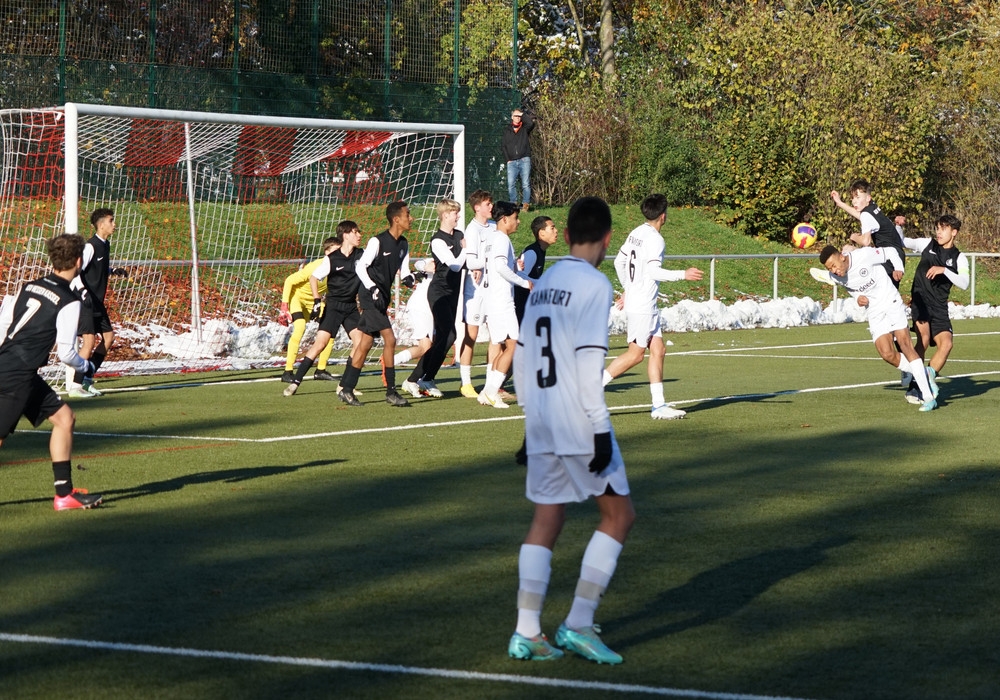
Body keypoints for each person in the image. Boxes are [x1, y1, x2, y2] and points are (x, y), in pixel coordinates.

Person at [509, 195, 631, 665]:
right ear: (606, 238)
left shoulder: (547, 279)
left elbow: (522, 352)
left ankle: (526, 632)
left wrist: (528, 421)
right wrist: (600, 430)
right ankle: (578, 623)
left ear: (566, 233)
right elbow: (586, 362)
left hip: (541, 418)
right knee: (619, 517)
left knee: (548, 518)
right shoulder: (595, 284)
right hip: (578, 419)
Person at [0, 234, 102, 510]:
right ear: (79, 261)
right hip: (17, 374)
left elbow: (6, 325)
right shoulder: (70, 300)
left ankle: (64, 494)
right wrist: (86, 366)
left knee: (65, 418)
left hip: (12, 365)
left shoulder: (30, 285)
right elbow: (67, 353)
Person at [603, 194, 703, 420]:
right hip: (643, 305)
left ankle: (659, 406)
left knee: (658, 350)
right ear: (663, 216)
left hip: (643, 302)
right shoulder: (656, 239)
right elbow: (653, 271)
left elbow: (619, 261)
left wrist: (628, 288)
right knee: (636, 355)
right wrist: (683, 274)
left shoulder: (636, 232)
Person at [816, 244, 938, 411]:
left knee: (905, 344)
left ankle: (928, 397)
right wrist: (858, 297)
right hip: (874, 310)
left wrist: (898, 268)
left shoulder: (864, 255)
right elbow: (852, 289)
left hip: (891, 301)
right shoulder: (836, 276)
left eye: (834, 266)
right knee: (887, 353)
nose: (834, 271)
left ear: (842, 257)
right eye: (830, 269)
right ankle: (924, 375)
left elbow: (891, 251)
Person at [336, 201, 414, 408]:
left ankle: (346, 388)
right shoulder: (377, 241)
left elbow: (404, 271)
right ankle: (391, 391)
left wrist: (411, 279)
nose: (411, 218)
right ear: (396, 219)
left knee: (365, 343)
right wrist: (372, 287)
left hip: (382, 298)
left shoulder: (404, 244)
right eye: (408, 214)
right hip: (370, 296)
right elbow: (361, 266)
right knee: (390, 339)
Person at [283, 223, 366, 397]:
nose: (359, 235)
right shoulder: (332, 258)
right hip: (334, 307)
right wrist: (317, 301)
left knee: (360, 343)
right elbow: (314, 278)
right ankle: (295, 383)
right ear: (346, 235)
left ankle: (344, 385)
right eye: (355, 232)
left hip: (350, 307)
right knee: (320, 345)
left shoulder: (361, 255)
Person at [900, 214, 969, 403]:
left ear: (953, 232)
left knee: (946, 344)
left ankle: (927, 377)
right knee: (923, 339)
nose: (938, 232)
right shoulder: (927, 245)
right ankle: (915, 387)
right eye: (937, 228)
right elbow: (902, 241)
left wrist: (944, 270)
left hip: (939, 307)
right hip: (920, 302)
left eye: (943, 228)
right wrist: (898, 226)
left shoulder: (959, 258)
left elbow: (964, 283)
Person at [401, 199, 467, 398]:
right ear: (445, 215)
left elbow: (466, 263)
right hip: (439, 291)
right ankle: (415, 379)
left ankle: (426, 378)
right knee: (449, 335)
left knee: (447, 337)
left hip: (454, 291)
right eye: (455, 213)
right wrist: (465, 249)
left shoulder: (460, 235)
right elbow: (454, 265)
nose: (458, 216)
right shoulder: (437, 240)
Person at [66, 208, 128, 398]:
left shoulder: (105, 245)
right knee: (89, 342)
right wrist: (83, 292)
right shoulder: (89, 246)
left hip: (97, 302)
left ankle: (87, 378)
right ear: (101, 225)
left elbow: (96, 268)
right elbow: (75, 272)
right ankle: (75, 387)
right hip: (84, 301)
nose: (114, 224)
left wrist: (113, 270)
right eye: (111, 221)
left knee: (109, 338)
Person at [478, 201, 533, 409]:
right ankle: (492, 392)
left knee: (504, 346)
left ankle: (487, 391)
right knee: (514, 345)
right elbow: (500, 267)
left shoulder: (494, 239)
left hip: (494, 300)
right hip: (502, 301)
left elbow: (500, 266)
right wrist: (523, 282)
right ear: (504, 219)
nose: (518, 222)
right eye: (516, 218)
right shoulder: (501, 239)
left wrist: (516, 269)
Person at [278, 236, 339, 383]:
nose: (338, 254)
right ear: (326, 252)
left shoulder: (339, 268)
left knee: (330, 331)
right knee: (299, 328)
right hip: (297, 298)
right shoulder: (315, 266)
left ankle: (321, 370)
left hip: (314, 301)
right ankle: (288, 372)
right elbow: (290, 280)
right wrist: (284, 305)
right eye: (334, 251)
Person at [830, 180, 906, 288]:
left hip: (889, 258)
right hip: (896, 255)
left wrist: (855, 237)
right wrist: (840, 203)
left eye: (858, 198)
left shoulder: (866, 214)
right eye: (852, 198)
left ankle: (839, 275)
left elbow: (866, 241)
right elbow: (860, 214)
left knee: (848, 250)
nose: (854, 202)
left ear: (868, 198)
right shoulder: (872, 207)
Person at [458, 190, 497, 398]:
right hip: (475, 290)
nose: (491, 207)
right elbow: (471, 261)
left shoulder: (493, 227)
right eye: (487, 204)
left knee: (496, 335)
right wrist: (489, 262)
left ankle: (491, 382)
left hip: (493, 289)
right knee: (471, 336)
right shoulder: (472, 230)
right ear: (477, 207)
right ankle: (466, 383)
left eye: (491, 203)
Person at [514, 215, 558, 325]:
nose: (556, 231)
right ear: (541, 232)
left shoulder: (540, 250)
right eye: (552, 228)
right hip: (520, 306)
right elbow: (519, 275)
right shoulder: (532, 252)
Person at [502, 108, 536, 212]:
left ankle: (525, 205)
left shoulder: (524, 128)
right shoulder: (507, 130)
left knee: (525, 183)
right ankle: (513, 204)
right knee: (511, 184)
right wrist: (508, 159)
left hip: (524, 159)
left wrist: (522, 114)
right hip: (512, 161)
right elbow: (503, 146)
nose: (517, 118)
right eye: (515, 116)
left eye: (519, 116)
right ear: (512, 117)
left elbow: (530, 123)